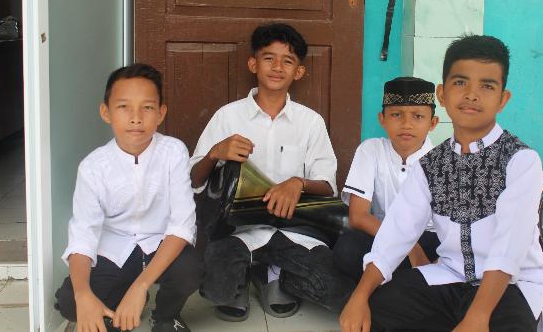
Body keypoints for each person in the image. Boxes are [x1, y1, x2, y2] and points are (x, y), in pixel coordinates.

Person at [339, 35, 543, 332]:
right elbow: (396, 232)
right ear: (442, 93)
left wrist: (477, 317)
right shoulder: (430, 165)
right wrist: (360, 296)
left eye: (487, 86)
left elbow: (509, 247)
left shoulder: (521, 161)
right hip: (448, 275)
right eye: (461, 83)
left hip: (509, 286)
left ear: (503, 99)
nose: (472, 95)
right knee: (374, 313)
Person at [190, 22, 354, 321]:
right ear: (253, 64)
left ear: (298, 72)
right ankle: (244, 272)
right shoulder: (228, 116)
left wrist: (297, 183)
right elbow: (194, 180)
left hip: (295, 230)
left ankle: (273, 273)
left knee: (336, 290)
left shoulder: (310, 122)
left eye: (287, 61)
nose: (277, 67)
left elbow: (328, 186)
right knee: (218, 290)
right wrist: (215, 153)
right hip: (238, 231)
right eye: (269, 58)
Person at [54, 64, 201, 332]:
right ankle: (116, 309)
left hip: (159, 243)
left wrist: (140, 286)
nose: (136, 118)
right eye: (123, 107)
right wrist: (83, 294)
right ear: (106, 112)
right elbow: (83, 236)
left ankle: (165, 316)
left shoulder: (173, 152)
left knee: (190, 268)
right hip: (115, 248)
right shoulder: (93, 167)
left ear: (161, 113)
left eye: (147, 107)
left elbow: (182, 225)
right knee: (70, 302)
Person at [333, 77, 440, 281]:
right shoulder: (371, 150)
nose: (406, 124)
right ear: (382, 119)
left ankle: (386, 283)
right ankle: (406, 281)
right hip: (381, 233)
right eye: (396, 115)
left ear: (432, 123)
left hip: (427, 238)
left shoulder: (442, 160)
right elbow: (358, 216)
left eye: (418, 116)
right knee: (347, 249)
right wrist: (410, 248)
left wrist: (416, 247)